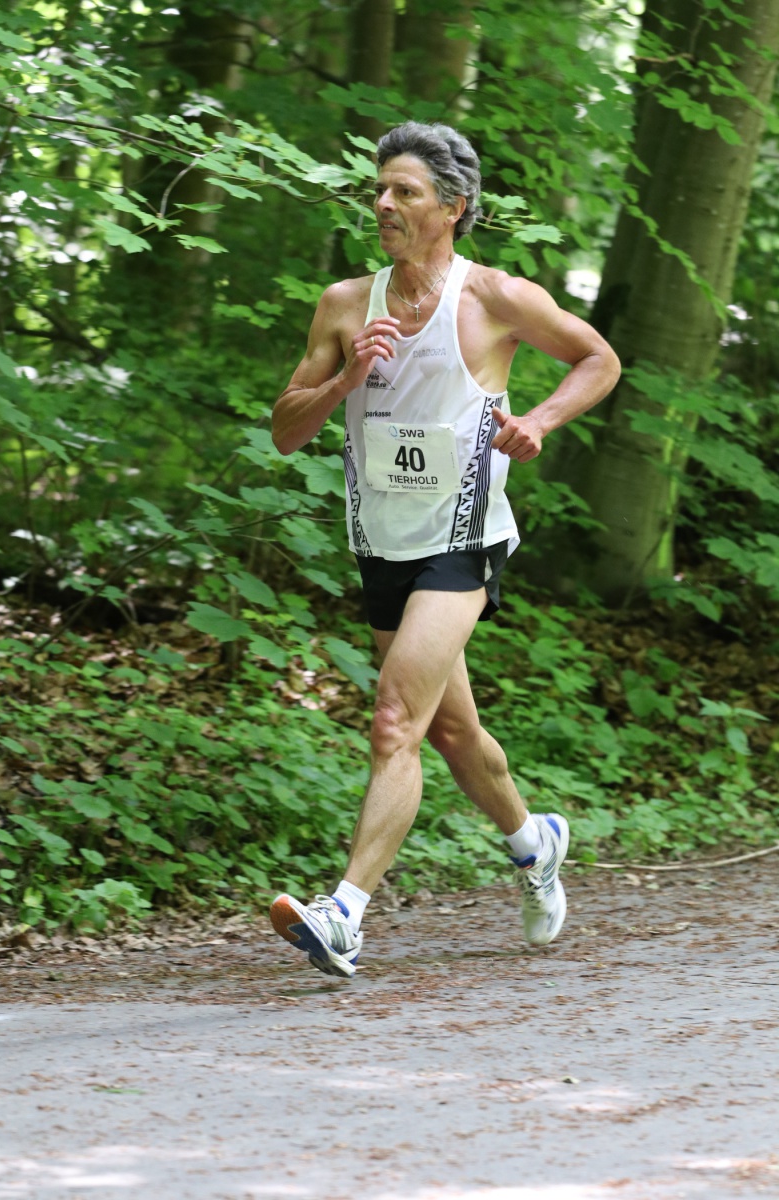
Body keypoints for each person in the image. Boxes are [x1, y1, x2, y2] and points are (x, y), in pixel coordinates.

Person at [269, 121, 620, 978]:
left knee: (396, 720)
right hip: (381, 543)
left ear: (453, 207)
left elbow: (598, 359)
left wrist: (539, 421)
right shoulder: (345, 304)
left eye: (406, 191)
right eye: (379, 190)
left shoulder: (493, 297)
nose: (383, 204)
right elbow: (285, 430)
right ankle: (535, 843)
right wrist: (347, 378)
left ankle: (344, 914)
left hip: (463, 541)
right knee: (455, 732)